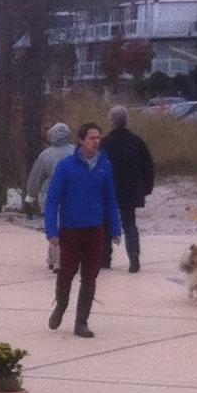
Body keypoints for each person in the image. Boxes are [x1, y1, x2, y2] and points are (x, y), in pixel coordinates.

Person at [43, 123, 121, 337]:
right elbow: (53, 200)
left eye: (98, 137)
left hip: (95, 229)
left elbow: (110, 199)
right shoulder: (66, 166)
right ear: (81, 141)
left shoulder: (105, 166)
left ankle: (81, 322)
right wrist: (51, 231)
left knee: (90, 275)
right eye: (91, 138)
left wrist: (115, 228)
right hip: (70, 229)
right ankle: (60, 305)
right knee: (67, 271)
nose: (96, 141)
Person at [102, 106, 155, 271]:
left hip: (110, 190)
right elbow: (148, 167)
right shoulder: (137, 142)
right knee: (130, 224)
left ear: (111, 122)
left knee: (106, 224)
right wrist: (146, 188)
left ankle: (105, 259)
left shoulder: (105, 143)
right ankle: (133, 257)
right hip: (131, 190)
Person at [24, 121, 73, 216]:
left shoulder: (45, 155)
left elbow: (36, 177)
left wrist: (30, 197)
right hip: (73, 199)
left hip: (50, 198)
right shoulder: (77, 152)